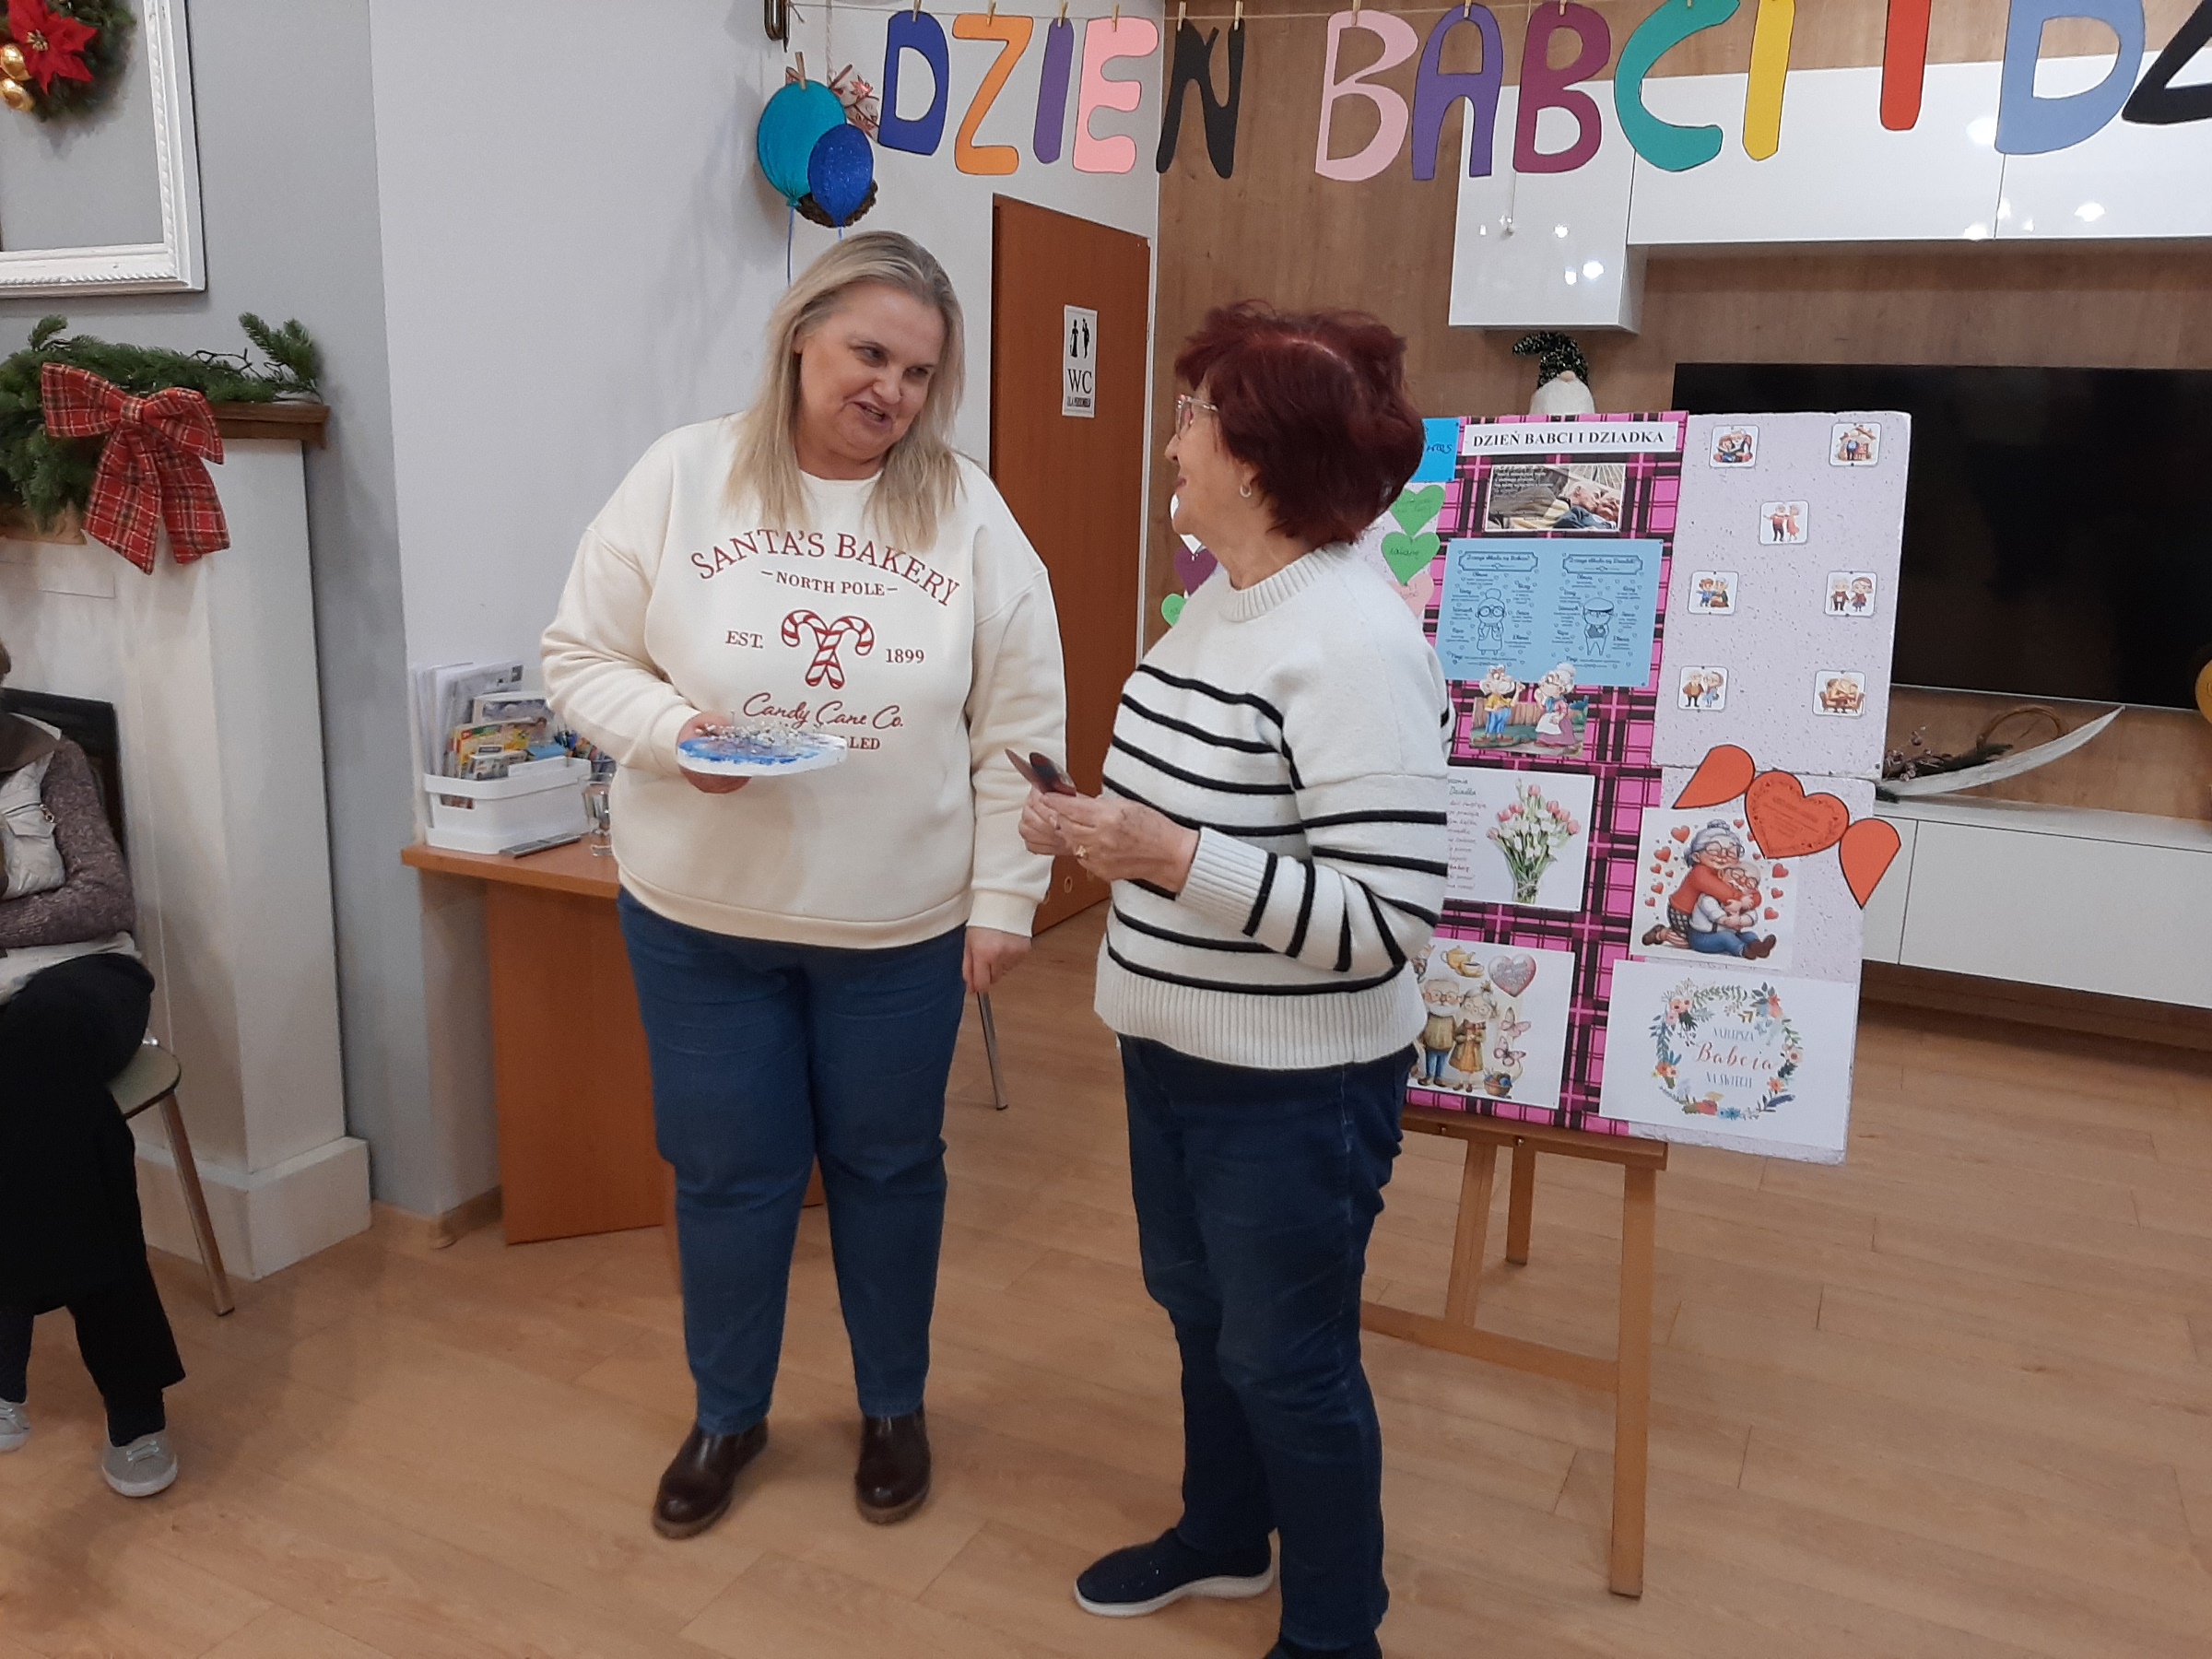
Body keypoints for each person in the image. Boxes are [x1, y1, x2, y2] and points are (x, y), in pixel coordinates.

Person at [543, 232, 1067, 1540]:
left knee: (889, 1169)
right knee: (728, 1174)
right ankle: (729, 1413)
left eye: (919, 372)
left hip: (898, 926)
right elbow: (579, 659)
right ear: (799, 339)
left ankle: (894, 1407)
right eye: (868, 353)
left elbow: (1020, 724)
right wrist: (675, 736)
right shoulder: (683, 475)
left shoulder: (968, 511)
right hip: (699, 919)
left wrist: (1006, 897)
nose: (891, 389)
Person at [1021, 301, 1449, 1659]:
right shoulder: (1224, 597)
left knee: (1289, 1359)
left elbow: (1387, 921)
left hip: (1295, 1085)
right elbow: (1203, 816)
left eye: (1194, 417)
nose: (1171, 445)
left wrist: (1167, 854)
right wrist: (1092, 825)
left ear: (1260, 457)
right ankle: (1223, 1533)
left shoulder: (1357, 643)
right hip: (1169, 1046)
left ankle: (1336, 1631)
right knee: (1201, 1314)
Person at [0, 642, 182, 1500]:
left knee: (33, 1060)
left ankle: (4, 1366)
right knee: (62, 1130)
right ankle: (135, 1406)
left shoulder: (50, 759)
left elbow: (104, 896)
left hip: (84, 979)